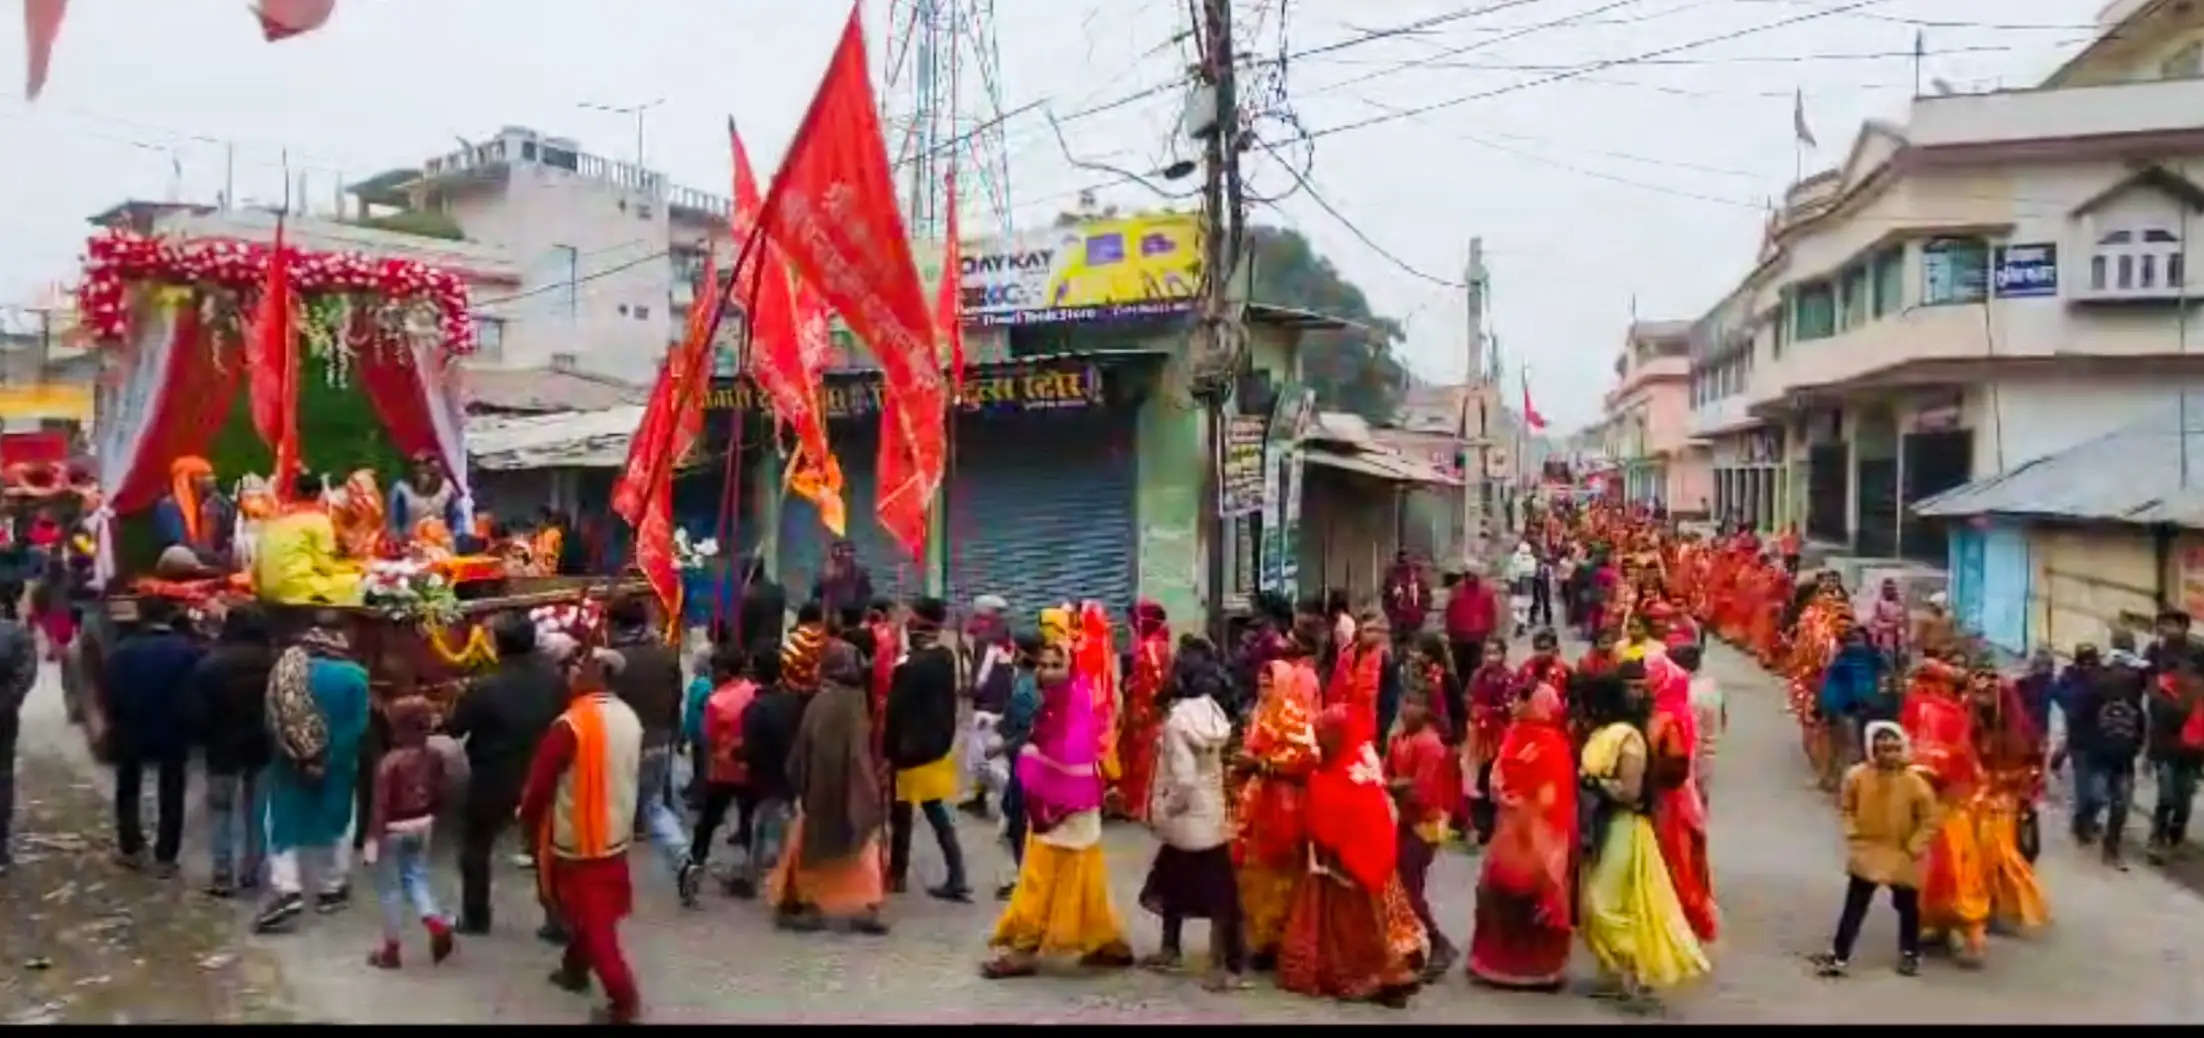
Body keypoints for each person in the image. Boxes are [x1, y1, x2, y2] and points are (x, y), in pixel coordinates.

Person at [982, 639, 1135, 977]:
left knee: (1040, 879)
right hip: (1064, 805)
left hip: (1066, 806)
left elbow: (1072, 757)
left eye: (1056, 665)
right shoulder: (1056, 701)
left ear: (1071, 669)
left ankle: (1023, 950)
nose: (1047, 672)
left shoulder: (1074, 703)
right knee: (1083, 879)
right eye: (1043, 664)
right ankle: (1107, 941)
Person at [522, 648, 646, 1025]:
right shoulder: (628, 716)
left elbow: (538, 787)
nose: (571, 676)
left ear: (596, 674)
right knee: (592, 913)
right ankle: (574, 969)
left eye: (577, 669)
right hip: (616, 831)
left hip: (580, 841)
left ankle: (623, 1001)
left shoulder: (570, 725)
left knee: (596, 925)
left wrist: (527, 825)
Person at [1278, 703, 1426, 1008]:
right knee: (1375, 922)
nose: (1319, 745)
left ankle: (1369, 974)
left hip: (1343, 868)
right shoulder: (1362, 761)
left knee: (1351, 928)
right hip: (1373, 863)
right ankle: (1389, 970)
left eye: (1322, 740)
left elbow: (1327, 825)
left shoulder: (1334, 777)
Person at [1577, 670, 1709, 1009]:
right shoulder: (1605, 734)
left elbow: (1630, 792)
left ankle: (1635, 975)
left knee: (1604, 903)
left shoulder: (1629, 739)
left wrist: (1595, 784)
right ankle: (1613, 977)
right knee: (1594, 903)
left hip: (1623, 825)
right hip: (1598, 826)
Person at [444, 612, 566, 936]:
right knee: (545, 848)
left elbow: (455, 727)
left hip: (494, 776)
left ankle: (476, 917)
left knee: (476, 846)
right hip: (542, 772)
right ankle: (557, 919)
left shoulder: (486, 686)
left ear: (500, 646)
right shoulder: (554, 678)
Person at [1136, 643, 1246, 992]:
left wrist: (1167, 807)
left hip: (1185, 820)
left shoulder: (1176, 724)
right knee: (1195, 888)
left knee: (1200, 891)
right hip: (1210, 817)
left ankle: (1227, 967)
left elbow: (1182, 779)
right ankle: (1185, 953)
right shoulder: (1212, 715)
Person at [255, 618, 370, 933]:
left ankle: (287, 886)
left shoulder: (287, 672)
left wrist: (302, 756)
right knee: (339, 824)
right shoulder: (356, 678)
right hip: (338, 767)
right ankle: (331, 888)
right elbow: (357, 728)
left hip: (290, 766)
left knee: (280, 823)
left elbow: (273, 720)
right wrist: (330, 758)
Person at [769, 641, 891, 935]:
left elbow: (802, 751)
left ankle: (804, 902)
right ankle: (867, 907)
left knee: (808, 852)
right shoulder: (858, 701)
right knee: (862, 851)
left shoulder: (820, 703)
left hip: (820, 796)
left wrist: (797, 780)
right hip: (856, 793)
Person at [1468, 683, 1576, 990]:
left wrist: (1524, 805)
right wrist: (1506, 796)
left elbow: (1556, 794)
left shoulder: (1554, 744)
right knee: (1499, 894)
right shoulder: (1514, 735)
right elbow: (1496, 777)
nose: (1514, 703)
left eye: (1520, 699)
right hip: (1510, 830)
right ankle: (1498, 964)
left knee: (1529, 894)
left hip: (1539, 835)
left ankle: (1537, 969)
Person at [1809, 721, 1938, 978]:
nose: (1889, 755)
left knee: (1908, 907)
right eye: (1883, 749)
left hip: (1902, 853)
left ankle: (1909, 953)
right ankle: (1840, 954)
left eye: (1894, 748)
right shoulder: (1857, 776)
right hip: (1868, 851)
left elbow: (1929, 820)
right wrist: (1853, 834)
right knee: (1855, 906)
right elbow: (1846, 807)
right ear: (1872, 750)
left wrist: (1914, 847)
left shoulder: (1915, 782)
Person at [1233, 619, 1324, 970]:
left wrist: (1263, 765)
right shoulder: (1259, 714)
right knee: (1254, 873)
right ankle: (1259, 938)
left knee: (1281, 876)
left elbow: (1306, 758)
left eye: (1270, 684)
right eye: (1261, 684)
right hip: (1257, 803)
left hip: (1285, 805)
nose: (1264, 689)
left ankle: (1277, 940)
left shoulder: (1293, 717)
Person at [604, 596, 701, 904]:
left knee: (611, 808)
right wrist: (676, 733)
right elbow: (676, 697)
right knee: (654, 805)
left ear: (615, 624)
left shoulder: (612, 659)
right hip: (660, 737)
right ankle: (682, 858)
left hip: (621, 739)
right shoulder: (666, 654)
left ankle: (607, 879)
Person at [104, 595, 203, 878]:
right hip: (172, 730)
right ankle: (165, 856)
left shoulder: (122, 651)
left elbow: (110, 693)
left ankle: (130, 847)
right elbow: (193, 693)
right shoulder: (185, 650)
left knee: (128, 787)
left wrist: (117, 721)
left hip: (132, 728)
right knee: (171, 791)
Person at [882, 597, 970, 901]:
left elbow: (894, 713)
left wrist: (887, 751)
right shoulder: (945, 657)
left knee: (902, 815)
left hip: (908, 752)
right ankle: (957, 873)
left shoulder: (908, 666)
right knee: (936, 812)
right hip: (938, 747)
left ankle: (897, 874)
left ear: (919, 624)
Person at [188, 604, 275, 897]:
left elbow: (198, 713)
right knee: (257, 811)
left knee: (221, 810)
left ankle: (222, 874)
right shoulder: (275, 665)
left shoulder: (211, 664)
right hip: (261, 747)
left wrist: (203, 740)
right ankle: (251, 872)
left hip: (221, 749)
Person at [364, 696, 456, 970]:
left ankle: (391, 950)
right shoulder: (435, 756)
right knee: (417, 877)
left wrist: (371, 841)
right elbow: (442, 791)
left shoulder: (389, 763)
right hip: (422, 822)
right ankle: (435, 921)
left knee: (390, 890)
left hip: (393, 828)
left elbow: (380, 806)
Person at [1643, 652, 1717, 944]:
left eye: (1649, 675)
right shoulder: (1679, 707)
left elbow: (1674, 762)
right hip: (1682, 791)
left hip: (1667, 796)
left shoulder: (1666, 717)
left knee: (1671, 857)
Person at [1385, 695, 1456, 980]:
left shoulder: (1431, 745)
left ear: (1426, 710)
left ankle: (1438, 943)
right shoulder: (1400, 738)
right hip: (1404, 818)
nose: (1405, 709)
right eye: (1404, 702)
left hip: (1423, 823)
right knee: (1402, 885)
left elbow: (1422, 792)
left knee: (1409, 885)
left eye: (1413, 703)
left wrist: (1392, 785)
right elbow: (1388, 770)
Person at [690, 644, 759, 894]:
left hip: (722, 769)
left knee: (708, 822)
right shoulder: (754, 692)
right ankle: (751, 870)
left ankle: (695, 862)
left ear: (723, 672)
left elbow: (707, 739)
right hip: (750, 766)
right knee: (748, 819)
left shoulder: (716, 702)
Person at [2072, 644, 2146, 870]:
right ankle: (2083, 822)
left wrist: (2136, 749)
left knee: (2121, 805)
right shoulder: (2095, 697)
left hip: (2124, 762)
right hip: (2099, 759)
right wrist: (2081, 748)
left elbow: (2141, 729)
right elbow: (2080, 721)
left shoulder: (2134, 705)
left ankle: (2112, 848)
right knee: (2096, 797)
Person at [737, 642, 801, 900]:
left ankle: (767, 879)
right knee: (780, 824)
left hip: (764, 778)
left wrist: (735, 755)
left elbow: (751, 748)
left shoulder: (756, 708)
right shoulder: (792, 701)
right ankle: (772, 875)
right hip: (789, 776)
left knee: (762, 827)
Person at [255, 473, 363, 605]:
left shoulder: (275, 518)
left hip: (267, 590)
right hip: (296, 589)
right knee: (354, 582)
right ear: (320, 495)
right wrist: (357, 567)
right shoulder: (318, 520)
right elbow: (326, 566)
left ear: (295, 493)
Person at [993, 631, 1046, 899]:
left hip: (1025, 762)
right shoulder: (1027, 681)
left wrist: (1000, 746)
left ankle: (1024, 879)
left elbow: (1029, 732)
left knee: (1018, 822)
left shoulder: (1027, 686)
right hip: (1025, 760)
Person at [1114, 600, 1173, 825]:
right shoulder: (1155, 643)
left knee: (1142, 759)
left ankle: (1139, 804)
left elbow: (1155, 682)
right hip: (1144, 708)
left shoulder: (1151, 647)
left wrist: (1144, 708)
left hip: (1144, 711)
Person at [959, 596, 1017, 819]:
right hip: (1000, 701)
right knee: (985, 753)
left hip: (989, 706)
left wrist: (971, 689)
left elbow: (983, 674)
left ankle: (1011, 800)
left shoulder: (988, 639)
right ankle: (980, 797)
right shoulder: (1004, 634)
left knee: (985, 758)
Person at [2146, 646, 2204, 865]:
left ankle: (2175, 837)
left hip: (2192, 756)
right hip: (2167, 752)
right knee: (2167, 797)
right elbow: (2157, 718)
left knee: (2183, 802)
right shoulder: (2167, 687)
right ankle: (2157, 840)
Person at [1819, 626, 1887, 791]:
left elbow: (1829, 686)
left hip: (1849, 707)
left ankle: (1834, 781)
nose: (1857, 644)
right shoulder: (1872, 658)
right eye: (1854, 640)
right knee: (1850, 746)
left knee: (1842, 745)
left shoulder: (1842, 660)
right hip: (1857, 707)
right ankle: (1842, 783)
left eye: (1858, 640)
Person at [150, 455, 236, 567]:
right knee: (175, 554)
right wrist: (204, 551)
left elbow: (228, 536)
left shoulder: (216, 503)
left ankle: (208, 568)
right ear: (188, 479)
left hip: (211, 556)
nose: (211, 480)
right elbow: (177, 543)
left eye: (211, 475)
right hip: (186, 557)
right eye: (204, 476)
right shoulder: (168, 506)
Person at [0, 581, 29, 876]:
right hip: (3, 718)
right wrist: (7, 704)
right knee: (2, 778)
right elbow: (24, 675)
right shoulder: (14, 634)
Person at [1673, 644, 1724, 801]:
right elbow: (1722, 719)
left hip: (1688, 754)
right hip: (1707, 750)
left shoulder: (1683, 690)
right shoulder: (1711, 686)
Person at [386, 452, 463, 541]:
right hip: (411, 542)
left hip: (442, 541)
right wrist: (399, 540)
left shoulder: (448, 488)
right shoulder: (401, 489)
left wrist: (457, 536)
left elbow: (457, 518)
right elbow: (395, 523)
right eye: (417, 465)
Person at [1444, 567, 1497, 683]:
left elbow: (1490, 612)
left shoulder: (1485, 591)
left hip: (1476, 635)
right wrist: (1449, 630)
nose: (1471, 578)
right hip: (1460, 634)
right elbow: (1450, 611)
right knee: (1460, 666)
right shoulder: (1457, 590)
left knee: (1473, 666)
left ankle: (1468, 690)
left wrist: (1491, 631)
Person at [811, 539, 874, 622]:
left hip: (852, 613)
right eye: (843, 551)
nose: (848, 555)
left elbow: (867, 597)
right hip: (829, 613)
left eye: (850, 551)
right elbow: (816, 597)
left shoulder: (859, 573)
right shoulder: (825, 574)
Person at [1382, 551, 1431, 638]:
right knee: (1413, 646)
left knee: (1398, 646)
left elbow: (1386, 599)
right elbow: (1426, 597)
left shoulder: (1391, 577)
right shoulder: (1417, 577)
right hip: (1414, 619)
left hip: (1397, 621)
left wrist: (1390, 615)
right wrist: (1422, 614)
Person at [1507, 542, 1539, 637]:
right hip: (1528, 585)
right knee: (1526, 609)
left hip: (1517, 585)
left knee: (1514, 608)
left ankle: (1520, 622)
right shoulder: (1532, 559)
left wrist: (1511, 581)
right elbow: (1534, 572)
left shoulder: (1515, 558)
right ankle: (1523, 624)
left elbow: (1512, 572)